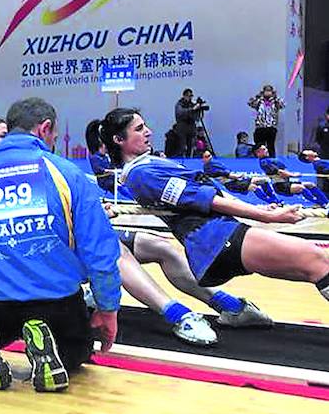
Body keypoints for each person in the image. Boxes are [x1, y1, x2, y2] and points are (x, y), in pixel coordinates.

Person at [0, 98, 121, 392]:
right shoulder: (66, 173)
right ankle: (50, 348)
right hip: (56, 302)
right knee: (76, 349)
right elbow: (100, 252)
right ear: (45, 128)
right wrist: (108, 308)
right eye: (54, 134)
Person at [100, 108, 329, 307]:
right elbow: (207, 200)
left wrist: (262, 211)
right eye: (139, 129)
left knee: (315, 266)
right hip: (217, 240)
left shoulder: (147, 166)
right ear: (119, 139)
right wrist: (268, 217)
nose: (148, 131)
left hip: (219, 236)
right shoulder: (142, 175)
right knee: (319, 260)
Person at [89, 122, 269, 345]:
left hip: (85, 236)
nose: (147, 132)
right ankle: (177, 315)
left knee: (161, 247)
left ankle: (227, 306)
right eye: (138, 129)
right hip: (58, 250)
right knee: (115, 251)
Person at [255, 144, 329, 206]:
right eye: (264, 149)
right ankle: (321, 203)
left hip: (286, 183)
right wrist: (293, 175)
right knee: (300, 188)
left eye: (266, 148)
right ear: (258, 153)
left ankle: (326, 202)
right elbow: (280, 172)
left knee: (310, 185)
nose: (267, 150)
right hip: (280, 186)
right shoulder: (264, 162)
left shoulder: (269, 160)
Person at [201, 150, 277, 204]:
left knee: (263, 181)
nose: (210, 157)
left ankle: (275, 200)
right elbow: (229, 175)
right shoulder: (209, 168)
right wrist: (241, 176)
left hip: (235, 181)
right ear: (202, 159)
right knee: (254, 187)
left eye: (210, 155)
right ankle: (271, 202)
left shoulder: (213, 164)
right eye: (207, 156)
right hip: (231, 184)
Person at [248, 84, 285, 157]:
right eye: (266, 91)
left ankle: (272, 159)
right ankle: (258, 158)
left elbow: (282, 105)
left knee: (270, 145)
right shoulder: (259, 101)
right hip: (260, 126)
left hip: (271, 127)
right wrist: (258, 96)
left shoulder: (275, 101)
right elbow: (250, 103)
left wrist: (275, 97)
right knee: (259, 145)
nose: (268, 93)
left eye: (269, 91)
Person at [174, 88, 204, 158]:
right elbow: (180, 113)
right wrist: (192, 109)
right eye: (188, 96)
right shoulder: (179, 104)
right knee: (183, 148)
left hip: (191, 129)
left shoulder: (192, 104)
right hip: (182, 129)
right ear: (184, 96)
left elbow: (197, 118)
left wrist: (198, 109)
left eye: (191, 96)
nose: (190, 98)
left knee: (191, 148)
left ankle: (190, 160)